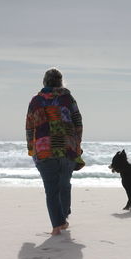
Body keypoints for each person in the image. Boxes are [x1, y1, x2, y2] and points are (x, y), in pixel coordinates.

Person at [26, 68, 84, 235]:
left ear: (44, 82)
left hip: (44, 150)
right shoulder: (67, 99)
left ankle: (57, 225)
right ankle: (63, 219)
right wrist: (77, 144)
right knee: (64, 185)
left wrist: (32, 148)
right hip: (67, 148)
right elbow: (78, 122)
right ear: (60, 82)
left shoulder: (36, 101)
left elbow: (29, 127)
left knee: (51, 190)